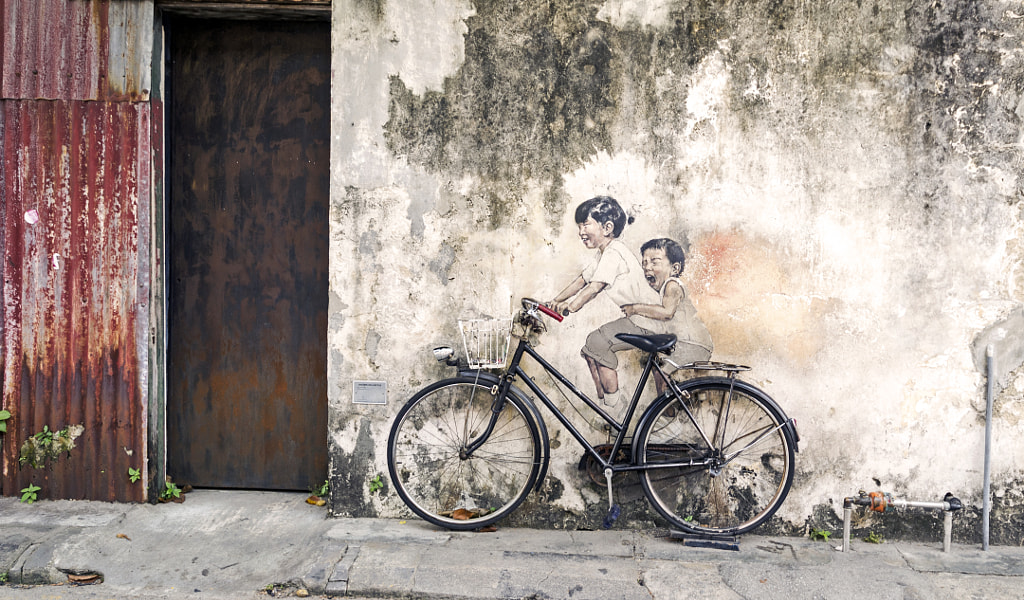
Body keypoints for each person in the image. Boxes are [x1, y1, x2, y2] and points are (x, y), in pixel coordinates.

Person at [548, 196, 661, 408]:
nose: (581, 231)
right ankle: (604, 405)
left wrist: (569, 307)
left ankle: (615, 407)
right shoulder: (604, 254)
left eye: (585, 224)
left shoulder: (614, 253)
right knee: (590, 351)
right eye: (579, 226)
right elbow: (582, 281)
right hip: (639, 320)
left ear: (607, 227)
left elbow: (594, 287)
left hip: (647, 320)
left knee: (597, 343)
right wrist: (554, 300)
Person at [622, 237, 713, 393]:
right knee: (660, 372)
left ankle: (667, 415)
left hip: (693, 343)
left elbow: (666, 313)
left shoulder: (672, 285)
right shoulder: (664, 288)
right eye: (644, 263)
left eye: (654, 262)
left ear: (675, 268)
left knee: (662, 374)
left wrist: (635, 308)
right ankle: (669, 412)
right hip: (686, 342)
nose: (647, 267)